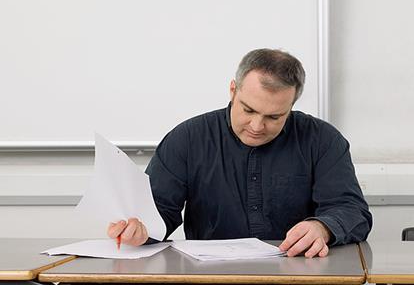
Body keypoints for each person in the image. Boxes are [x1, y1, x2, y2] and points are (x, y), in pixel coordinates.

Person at [107, 48, 372, 258]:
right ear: (233, 90)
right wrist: (141, 230)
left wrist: (323, 228)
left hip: (299, 273)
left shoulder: (322, 140)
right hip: (210, 279)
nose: (257, 126)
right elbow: (158, 210)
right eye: (248, 110)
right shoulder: (187, 139)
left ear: (292, 105)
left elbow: (352, 210)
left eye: (274, 117)